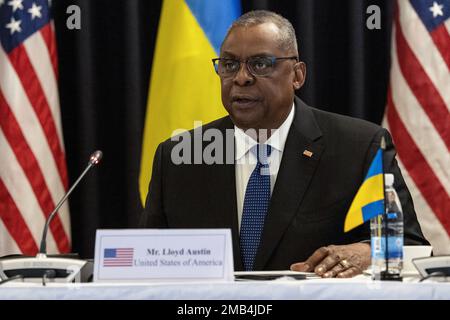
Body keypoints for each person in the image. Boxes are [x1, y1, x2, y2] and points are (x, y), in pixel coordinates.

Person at [140, 10, 428, 278]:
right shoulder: (178, 157)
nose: (241, 78)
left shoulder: (359, 147)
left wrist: (366, 252)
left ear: (297, 75)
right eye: (229, 65)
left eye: (260, 64)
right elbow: (148, 260)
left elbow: (410, 246)